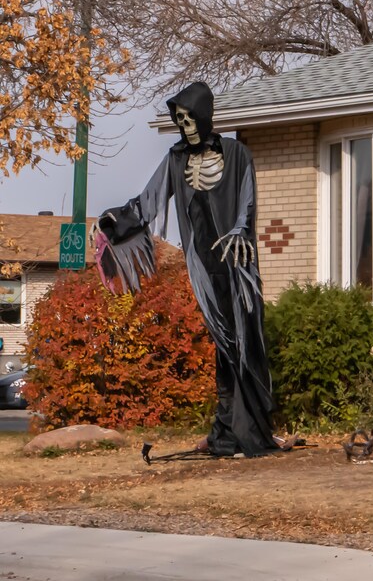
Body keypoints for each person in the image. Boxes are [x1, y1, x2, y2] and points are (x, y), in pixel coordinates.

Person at [95, 82, 277, 457]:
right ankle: (227, 431)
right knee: (224, 347)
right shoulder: (177, 159)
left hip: (238, 266)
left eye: (190, 118)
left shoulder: (237, 154)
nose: (186, 126)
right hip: (204, 267)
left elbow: (247, 200)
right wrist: (116, 221)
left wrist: (242, 229)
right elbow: (148, 202)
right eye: (180, 120)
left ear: (205, 116)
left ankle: (252, 431)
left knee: (247, 344)